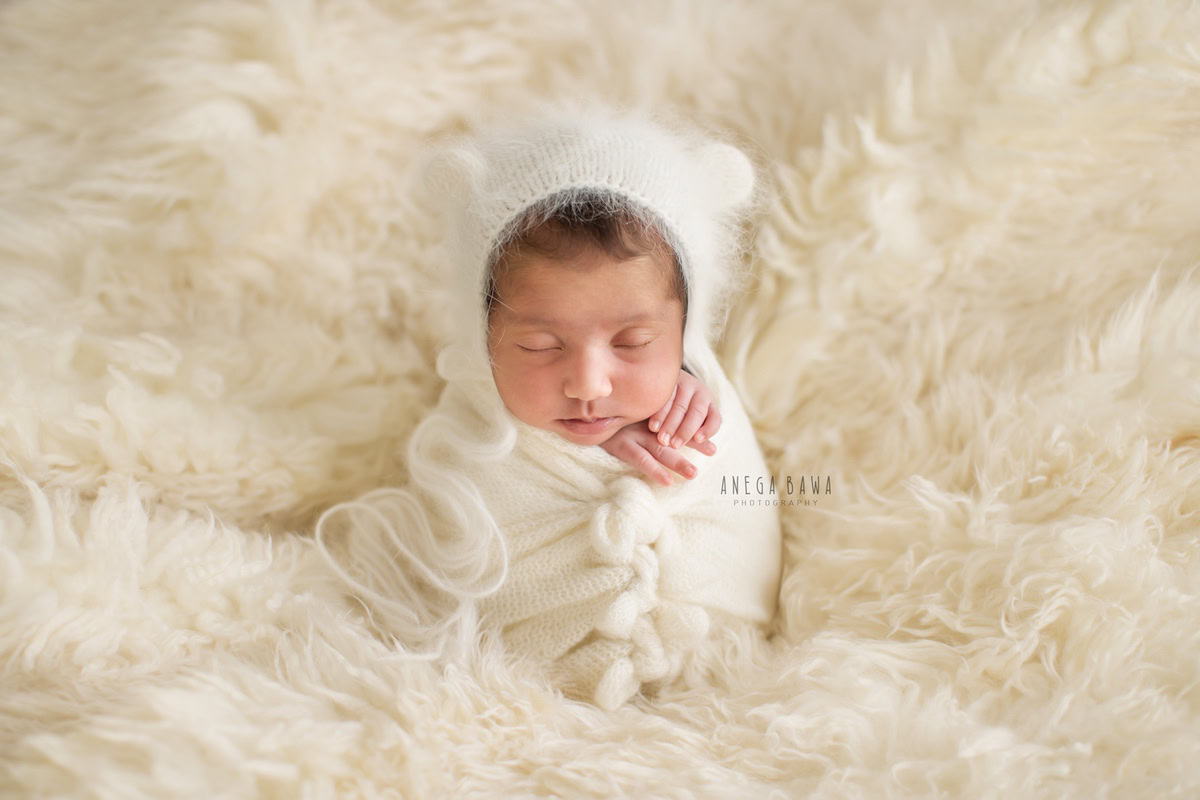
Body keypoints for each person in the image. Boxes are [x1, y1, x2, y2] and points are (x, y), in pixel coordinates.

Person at [315, 102, 783, 710]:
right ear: (484, 338)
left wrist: (682, 387)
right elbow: (473, 522)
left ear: (685, 332)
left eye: (633, 343)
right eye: (540, 345)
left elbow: (740, 504)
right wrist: (579, 444)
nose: (588, 383)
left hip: (721, 699)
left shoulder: (701, 400)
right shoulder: (475, 428)